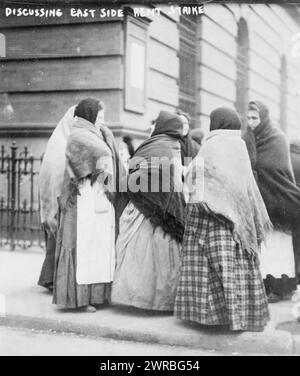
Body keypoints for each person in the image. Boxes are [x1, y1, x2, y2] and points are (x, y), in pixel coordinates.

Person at [175, 107, 271, 332]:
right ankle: (240, 316)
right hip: (237, 218)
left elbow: (195, 176)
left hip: (210, 218)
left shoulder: (212, 145)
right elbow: (245, 183)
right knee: (236, 265)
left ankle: (211, 318)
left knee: (208, 268)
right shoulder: (239, 146)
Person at [111, 111, 187, 311]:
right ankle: (160, 301)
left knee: (140, 253)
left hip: (142, 206)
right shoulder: (171, 145)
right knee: (159, 252)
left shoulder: (155, 144)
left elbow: (139, 171)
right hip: (161, 204)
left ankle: (134, 298)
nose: (151, 129)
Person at [53, 98, 122, 312]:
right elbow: (99, 157)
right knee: (85, 246)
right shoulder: (80, 135)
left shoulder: (96, 133)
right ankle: (80, 299)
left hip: (97, 194)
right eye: (99, 117)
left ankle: (98, 296)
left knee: (99, 246)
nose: (102, 122)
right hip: (83, 196)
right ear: (89, 116)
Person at [243, 100, 300, 302]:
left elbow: (280, 172)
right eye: (248, 118)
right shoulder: (247, 138)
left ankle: (281, 287)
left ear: (264, 118)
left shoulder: (277, 139)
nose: (251, 122)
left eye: (255, 118)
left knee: (279, 246)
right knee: (265, 248)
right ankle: (267, 286)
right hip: (259, 202)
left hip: (278, 202)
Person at [38, 105, 75, 291]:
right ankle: (51, 279)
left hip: (57, 200)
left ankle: (50, 278)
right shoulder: (61, 145)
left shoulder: (59, 141)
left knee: (55, 243)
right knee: (56, 242)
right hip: (57, 200)